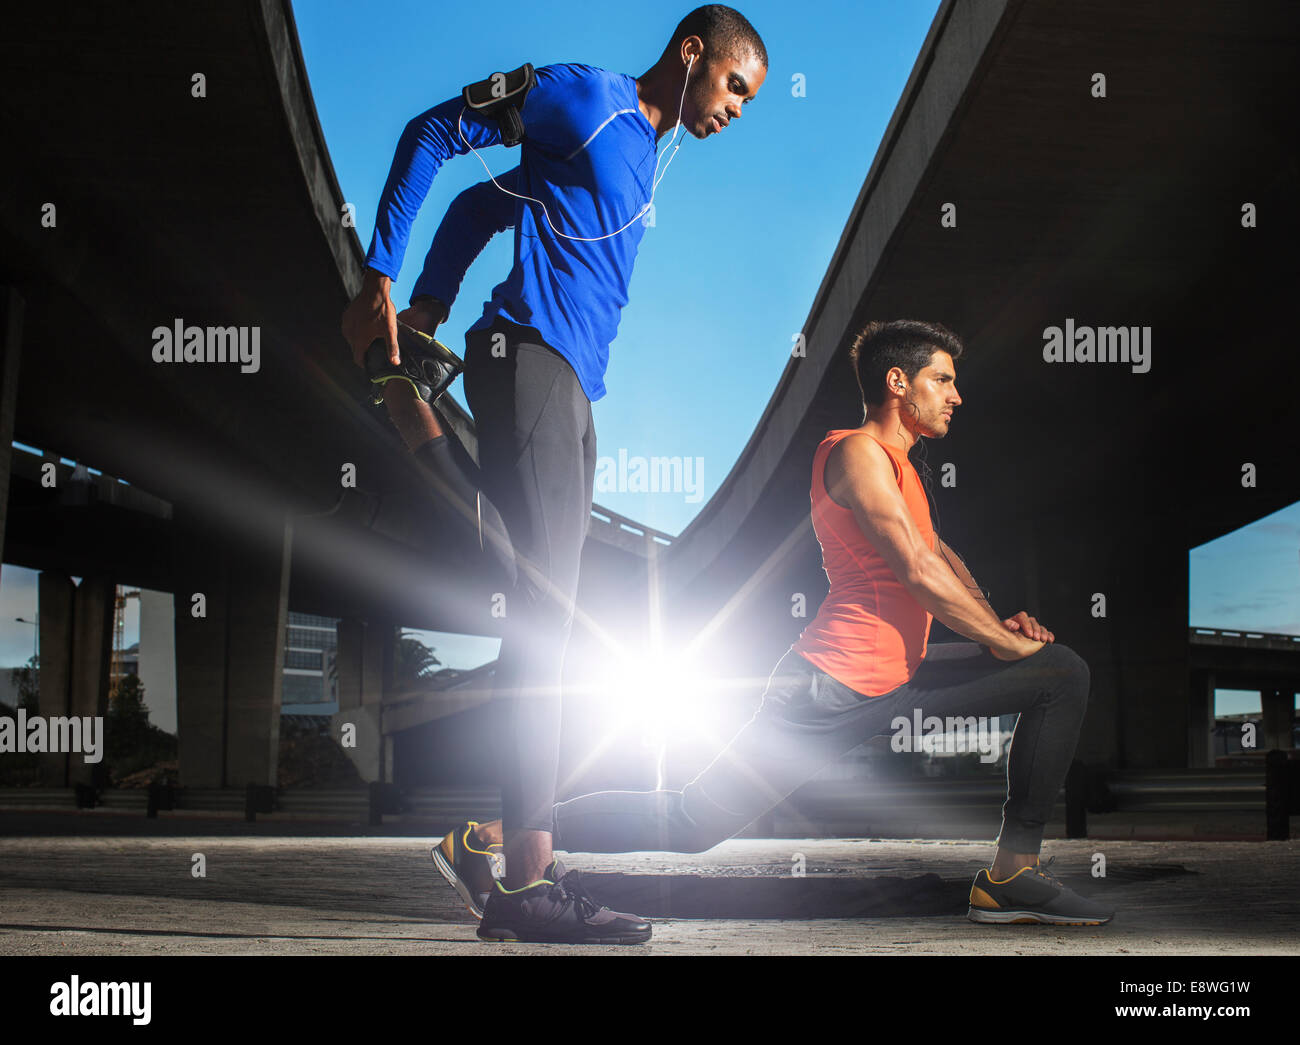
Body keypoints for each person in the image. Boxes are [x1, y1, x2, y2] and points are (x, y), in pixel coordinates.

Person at [438, 319, 1115, 927]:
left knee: (1059, 672)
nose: (955, 395)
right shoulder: (853, 454)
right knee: (693, 819)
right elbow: (915, 565)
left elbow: (938, 554)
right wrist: (996, 641)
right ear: (897, 381)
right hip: (825, 690)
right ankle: (488, 836)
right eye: (943, 379)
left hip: (900, 680)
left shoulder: (905, 469)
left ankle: (1012, 874)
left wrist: (1002, 625)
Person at [340, 6, 769, 944]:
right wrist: (387, 270)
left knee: (535, 592)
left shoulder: (647, 153)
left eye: (749, 101)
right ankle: (528, 885)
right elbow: (436, 132)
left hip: (570, 386)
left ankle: (395, 390)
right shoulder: (589, 99)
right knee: (547, 623)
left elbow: (489, 204)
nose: (737, 109)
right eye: (736, 86)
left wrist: (430, 306)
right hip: (525, 354)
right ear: (693, 53)